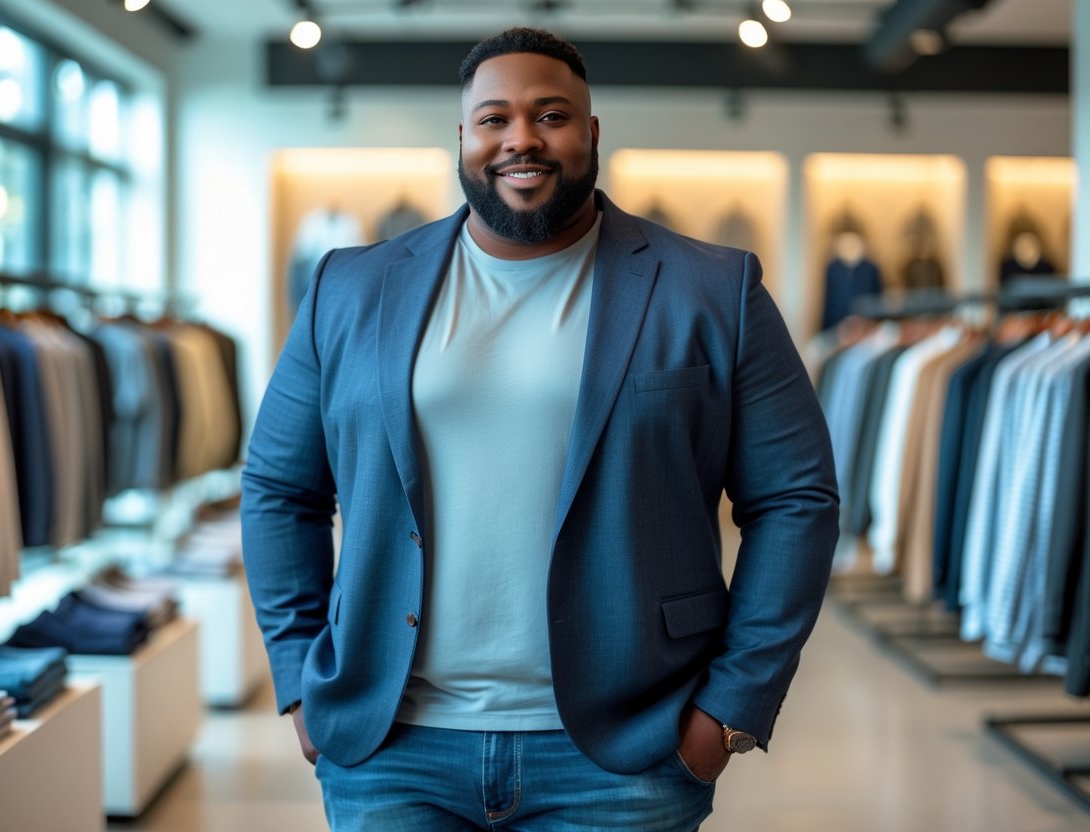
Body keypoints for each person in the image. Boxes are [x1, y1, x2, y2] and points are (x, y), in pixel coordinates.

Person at [242, 27, 839, 831]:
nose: (521, 137)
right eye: (494, 119)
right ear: (462, 139)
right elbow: (279, 490)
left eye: (550, 114)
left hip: (624, 750)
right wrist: (300, 682)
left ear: (590, 134)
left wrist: (730, 706)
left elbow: (795, 499)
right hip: (393, 749)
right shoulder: (351, 289)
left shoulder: (711, 289)